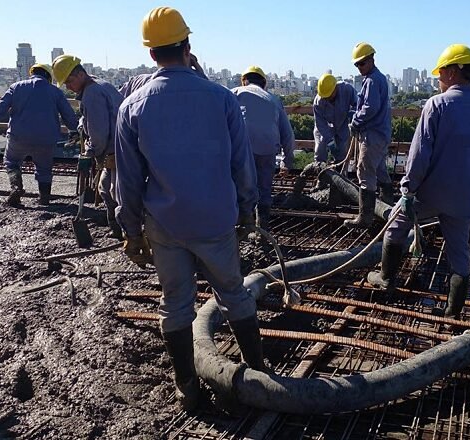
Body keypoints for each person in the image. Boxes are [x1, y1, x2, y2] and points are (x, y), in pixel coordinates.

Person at [115, 6, 265, 412]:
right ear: (187, 46)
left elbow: (128, 180)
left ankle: (188, 389)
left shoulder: (132, 106)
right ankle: (259, 375)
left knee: (176, 304)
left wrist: (131, 231)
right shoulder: (222, 98)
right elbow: (242, 164)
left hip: (164, 226)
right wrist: (247, 210)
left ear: (151, 54)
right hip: (216, 220)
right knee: (234, 294)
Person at [366, 44, 470, 322]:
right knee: (459, 253)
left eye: (440, 73)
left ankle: (386, 278)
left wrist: (407, 190)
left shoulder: (437, 105)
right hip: (466, 196)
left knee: (395, 227)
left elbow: (419, 154)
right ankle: (452, 311)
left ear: (451, 72)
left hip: (431, 192)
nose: (438, 79)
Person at [0, 63, 78, 206]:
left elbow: (0, 107)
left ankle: (16, 187)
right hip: (46, 138)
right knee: (44, 169)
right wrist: (74, 131)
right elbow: (68, 114)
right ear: (48, 76)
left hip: (18, 136)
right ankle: (44, 199)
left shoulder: (16, 87)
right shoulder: (55, 91)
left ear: (32, 73)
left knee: (12, 161)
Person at [52, 55, 124, 239]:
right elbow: (91, 119)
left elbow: (99, 133)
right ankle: (119, 230)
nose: (68, 87)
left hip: (116, 151)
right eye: (65, 83)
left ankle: (125, 233)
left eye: (70, 81)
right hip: (122, 147)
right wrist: (81, 126)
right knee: (106, 189)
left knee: (112, 193)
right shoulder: (101, 85)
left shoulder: (92, 94)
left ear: (81, 74)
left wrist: (89, 153)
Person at [231, 66, 295, 229]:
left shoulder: (234, 93)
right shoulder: (274, 99)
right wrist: (287, 162)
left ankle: (241, 228)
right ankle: (262, 231)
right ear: (264, 83)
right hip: (268, 149)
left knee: (240, 188)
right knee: (264, 191)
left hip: (243, 149)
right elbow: (288, 134)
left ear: (244, 81)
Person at [344, 42, 393, 227]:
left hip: (372, 135)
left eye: (362, 63)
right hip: (379, 134)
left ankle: (365, 218)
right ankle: (387, 207)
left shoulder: (372, 80)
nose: (359, 67)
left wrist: (356, 122)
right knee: (379, 170)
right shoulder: (376, 78)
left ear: (372, 59)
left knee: (364, 171)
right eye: (357, 64)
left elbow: (370, 108)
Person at [119, 52, 208, 98]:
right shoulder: (210, 93)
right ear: (186, 51)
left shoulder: (139, 83)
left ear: (153, 55)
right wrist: (201, 76)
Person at [313, 73, 357, 164]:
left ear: (335, 88)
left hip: (342, 123)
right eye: (325, 97)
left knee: (342, 149)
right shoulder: (318, 101)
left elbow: (358, 104)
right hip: (325, 126)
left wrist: (353, 114)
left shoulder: (347, 89)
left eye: (330, 95)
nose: (328, 98)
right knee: (321, 146)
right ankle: (319, 166)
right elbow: (320, 123)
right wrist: (330, 141)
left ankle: (340, 166)